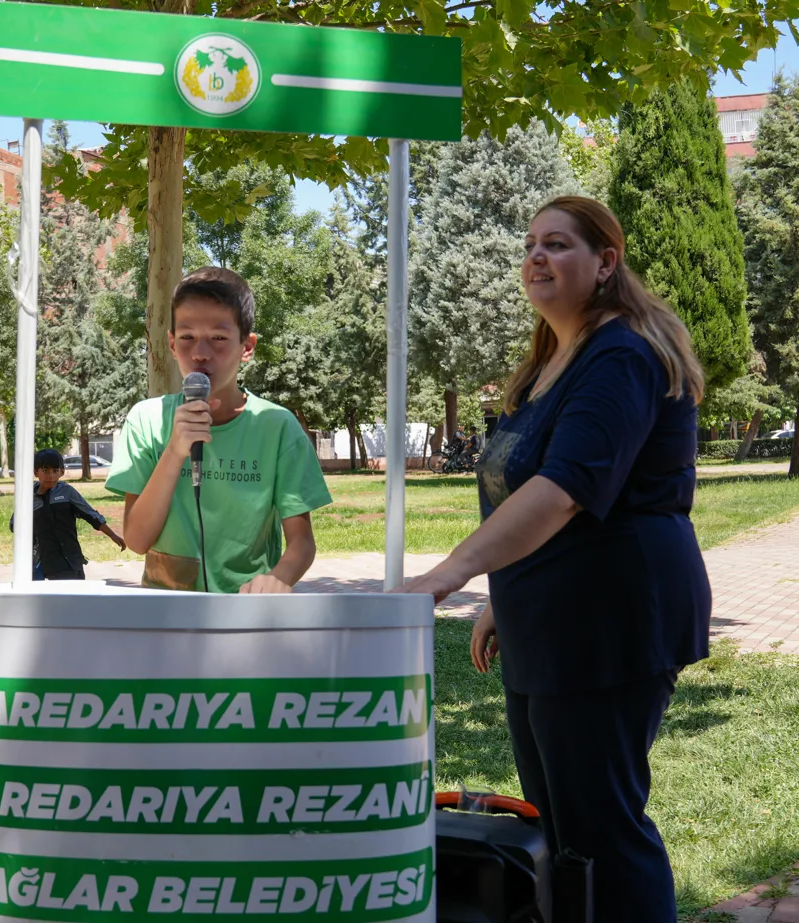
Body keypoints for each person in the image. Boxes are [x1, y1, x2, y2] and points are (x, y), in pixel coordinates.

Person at [396, 196, 710, 923]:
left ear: (606, 262)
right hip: (548, 618)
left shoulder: (621, 354)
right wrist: (502, 594)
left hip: (611, 619)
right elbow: (523, 492)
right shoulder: (548, 363)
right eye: (532, 244)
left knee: (602, 827)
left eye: (559, 244)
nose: (537, 256)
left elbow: (564, 490)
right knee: (562, 824)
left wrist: (448, 574)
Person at [107, 266, 332, 594]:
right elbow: (137, 540)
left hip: (245, 609)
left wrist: (277, 579)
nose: (200, 353)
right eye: (187, 337)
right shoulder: (146, 420)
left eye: (218, 338)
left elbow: (302, 543)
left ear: (247, 346)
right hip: (166, 610)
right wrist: (174, 452)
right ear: (171, 344)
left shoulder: (277, 427)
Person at [10, 448, 126, 580]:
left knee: (72, 592)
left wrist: (112, 534)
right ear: (36, 472)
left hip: (69, 561)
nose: (51, 476)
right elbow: (14, 524)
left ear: (62, 472)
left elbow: (91, 515)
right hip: (40, 563)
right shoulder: (28, 496)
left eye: (55, 471)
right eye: (45, 471)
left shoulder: (67, 493)